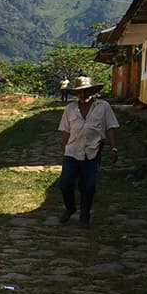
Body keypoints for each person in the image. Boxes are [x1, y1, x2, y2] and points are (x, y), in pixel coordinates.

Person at [57, 75, 119, 227]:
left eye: (86, 91)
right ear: (76, 93)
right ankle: (70, 208)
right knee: (65, 182)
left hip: (92, 151)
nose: (83, 95)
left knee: (89, 186)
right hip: (72, 151)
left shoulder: (103, 106)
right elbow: (65, 130)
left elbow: (110, 127)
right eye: (80, 92)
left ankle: (85, 216)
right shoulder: (70, 108)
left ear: (92, 91)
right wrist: (63, 149)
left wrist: (113, 147)